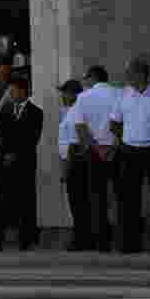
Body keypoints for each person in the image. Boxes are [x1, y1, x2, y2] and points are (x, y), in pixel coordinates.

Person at [110, 58, 150, 254]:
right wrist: (125, 140)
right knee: (129, 200)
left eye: (130, 73)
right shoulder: (123, 95)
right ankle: (131, 244)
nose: (127, 76)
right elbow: (114, 123)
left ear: (142, 74)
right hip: (130, 152)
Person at [0, 77, 43, 251]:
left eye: (12, 90)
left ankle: (26, 239)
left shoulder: (36, 112)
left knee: (25, 200)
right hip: (5, 162)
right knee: (2, 201)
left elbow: (32, 138)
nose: (10, 94)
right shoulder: (6, 110)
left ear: (22, 91)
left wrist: (16, 154)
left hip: (25, 163)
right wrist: (4, 153)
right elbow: (0, 135)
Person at [70, 65, 120, 252]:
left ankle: (102, 243)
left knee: (97, 197)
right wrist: (113, 146)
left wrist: (98, 149)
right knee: (122, 196)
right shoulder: (119, 94)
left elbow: (80, 128)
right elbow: (123, 123)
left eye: (86, 79)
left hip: (94, 151)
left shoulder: (83, 97)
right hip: (117, 150)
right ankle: (124, 239)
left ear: (92, 78)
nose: (85, 82)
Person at [57, 79, 92, 251]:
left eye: (65, 92)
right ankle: (83, 237)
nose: (62, 96)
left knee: (78, 202)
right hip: (75, 160)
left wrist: (66, 169)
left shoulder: (75, 112)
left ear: (73, 94)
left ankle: (81, 239)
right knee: (80, 202)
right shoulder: (71, 111)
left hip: (75, 161)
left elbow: (73, 144)